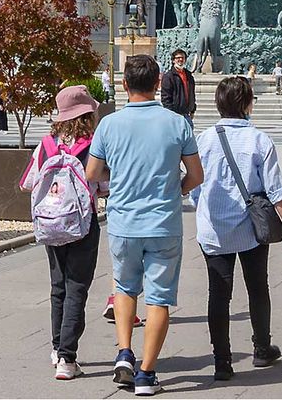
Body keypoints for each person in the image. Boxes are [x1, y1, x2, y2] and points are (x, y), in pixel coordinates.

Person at [85, 55, 203, 397]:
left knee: (124, 288)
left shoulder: (109, 124)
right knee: (159, 299)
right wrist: (176, 189)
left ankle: (124, 352)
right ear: (157, 84)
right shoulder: (178, 123)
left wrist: (118, 180)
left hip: (124, 221)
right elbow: (196, 175)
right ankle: (147, 374)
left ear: (124, 85)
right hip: (164, 222)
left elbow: (93, 173)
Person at [191, 77, 282, 380]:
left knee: (218, 293)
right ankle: (262, 348)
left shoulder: (205, 138)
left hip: (213, 228)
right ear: (248, 103)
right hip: (252, 230)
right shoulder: (259, 140)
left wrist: (203, 207)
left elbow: (194, 183)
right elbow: (275, 190)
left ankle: (222, 360)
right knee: (257, 287)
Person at [27, 85, 103, 381]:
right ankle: (67, 358)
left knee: (58, 286)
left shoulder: (46, 144)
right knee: (77, 288)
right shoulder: (94, 145)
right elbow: (104, 185)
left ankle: (58, 347)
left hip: (51, 222)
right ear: (87, 114)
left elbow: (28, 183)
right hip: (83, 224)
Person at [159, 49, 197, 125]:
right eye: (178, 58)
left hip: (187, 115)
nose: (181, 59)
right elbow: (165, 97)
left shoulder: (189, 75)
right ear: (173, 60)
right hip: (175, 115)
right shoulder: (169, 76)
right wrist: (171, 114)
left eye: (183, 58)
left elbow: (192, 94)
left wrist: (193, 110)